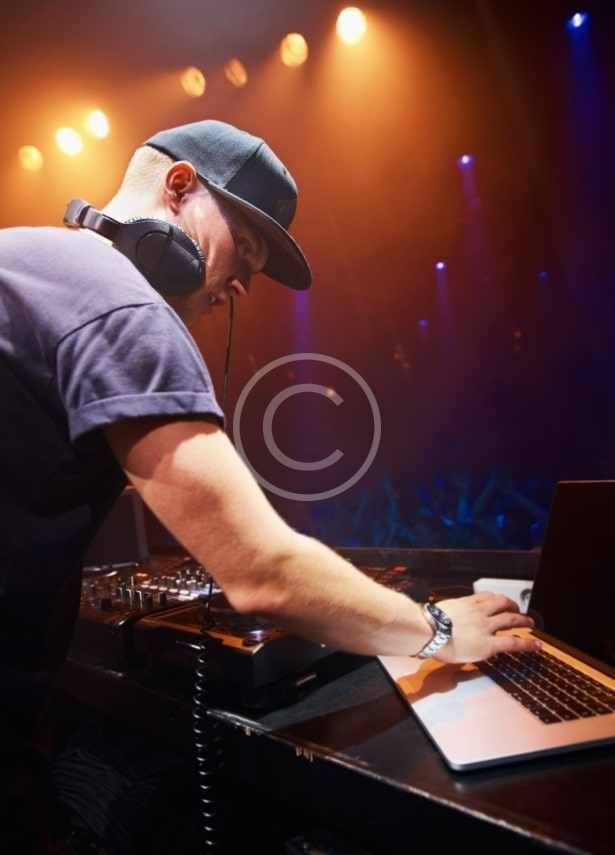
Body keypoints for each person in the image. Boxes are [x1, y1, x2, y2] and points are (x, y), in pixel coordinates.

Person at [0, 119, 539, 742]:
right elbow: (261, 572)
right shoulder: (126, 310)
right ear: (178, 187)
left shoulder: (23, 253)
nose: (241, 286)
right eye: (244, 250)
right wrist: (437, 632)